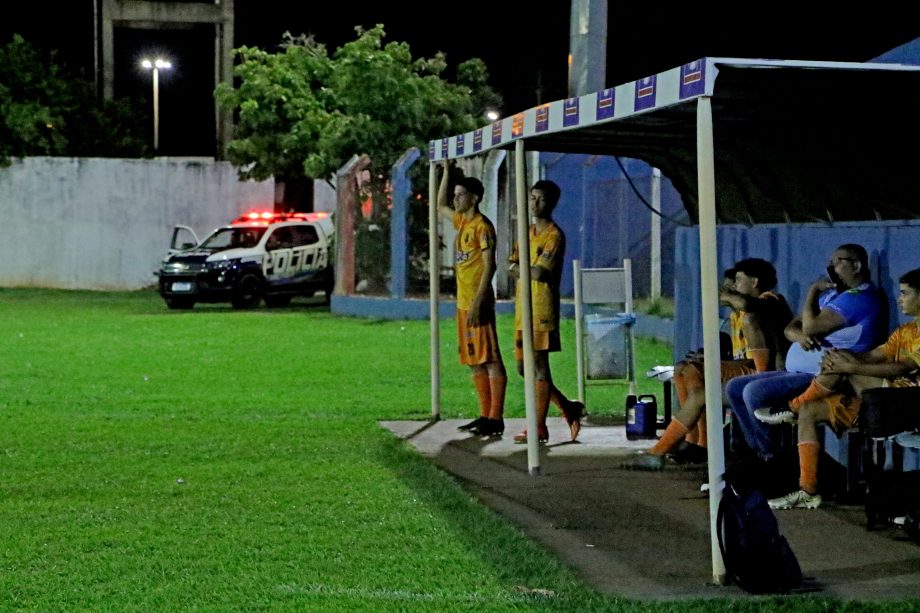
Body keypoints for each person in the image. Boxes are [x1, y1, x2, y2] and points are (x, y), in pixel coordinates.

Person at [765, 268, 920, 510]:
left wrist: (850, 366)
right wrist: (841, 359)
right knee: (809, 411)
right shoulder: (905, 330)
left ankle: (791, 407)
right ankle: (807, 491)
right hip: (874, 399)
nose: (899, 299)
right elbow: (872, 356)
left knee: (847, 367)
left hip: (905, 404)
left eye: (905, 293)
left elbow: (904, 367)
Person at [725, 243, 889, 469]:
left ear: (856, 266)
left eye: (837, 262)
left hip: (824, 375)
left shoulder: (860, 297)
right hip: (798, 370)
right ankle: (760, 453)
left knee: (754, 392)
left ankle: (773, 461)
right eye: (830, 262)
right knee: (734, 387)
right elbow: (792, 327)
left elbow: (810, 327)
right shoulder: (834, 295)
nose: (830, 267)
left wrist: (812, 291)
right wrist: (799, 335)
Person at [621, 258, 793, 470]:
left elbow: (748, 306)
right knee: (686, 369)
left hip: (771, 376)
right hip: (754, 373)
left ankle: (673, 449)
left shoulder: (771, 301)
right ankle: (692, 442)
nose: (734, 286)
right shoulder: (744, 314)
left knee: (698, 381)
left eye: (738, 280)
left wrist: (726, 295)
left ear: (754, 282)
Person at [508, 179, 585, 444]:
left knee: (539, 365)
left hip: (542, 308)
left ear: (552, 203)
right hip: (523, 308)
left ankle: (538, 427)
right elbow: (510, 265)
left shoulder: (554, 235)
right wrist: (523, 269)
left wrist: (520, 269)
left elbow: (540, 273)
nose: (535, 203)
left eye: (541, 199)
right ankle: (567, 407)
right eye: (532, 198)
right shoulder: (526, 232)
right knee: (523, 368)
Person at [436, 162, 507, 437]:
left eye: (460, 195)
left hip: (478, 302)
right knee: (475, 359)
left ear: (474, 198)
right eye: (455, 195)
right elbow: (439, 206)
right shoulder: (462, 222)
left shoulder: (482, 227)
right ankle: (485, 415)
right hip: (463, 303)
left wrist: (479, 301)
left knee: (490, 357)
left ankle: (496, 417)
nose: (455, 200)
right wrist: (445, 173)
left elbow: (490, 265)